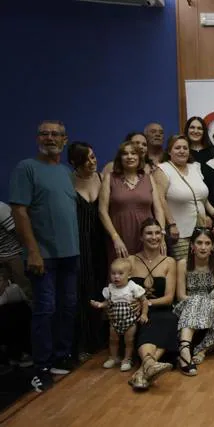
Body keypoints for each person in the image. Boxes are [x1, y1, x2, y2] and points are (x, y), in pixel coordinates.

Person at [10, 120, 80, 392]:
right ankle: (41, 366)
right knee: (45, 309)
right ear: (37, 137)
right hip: (44, 257)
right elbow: (19, 211)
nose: (50, 138)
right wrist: (34, 251)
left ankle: (61, 357)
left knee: (67, 307)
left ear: (65, 140)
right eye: (44, 133)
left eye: (56, 134)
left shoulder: (65, 172)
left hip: (69, 254)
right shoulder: (26, 168)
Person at [68, 142, 107, 360]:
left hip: (100, 242)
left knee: (101, 287)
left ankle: (100, 340)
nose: (92, 162)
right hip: (78, 242)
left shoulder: (102, 177)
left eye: (93, 157)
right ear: (75, 163)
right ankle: (81, 344)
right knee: (81, 290)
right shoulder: (68, 182)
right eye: (86, 160)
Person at [127, 219, 176, 391]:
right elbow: (121, 289)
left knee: (168, 318)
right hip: (136, 312)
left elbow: (169, 298)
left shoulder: (169, 262)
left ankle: (143, 370)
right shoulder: (131, 260)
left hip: (161, 308)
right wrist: (135, 305)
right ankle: (149, 366)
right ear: (141, 237)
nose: (154, 237)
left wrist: (146, 303)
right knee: (147, 321)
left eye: (157, 233)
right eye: (149, 233)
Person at [100, 140, 165, 262]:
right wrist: (115, 238)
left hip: (148, 237)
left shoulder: (149, 178)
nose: (130, 157)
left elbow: (158, 210)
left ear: (139, 157)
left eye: (133, 153)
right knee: (120, 275)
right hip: (120, 236)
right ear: (120, 158)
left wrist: (161, 235)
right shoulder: (110, 178)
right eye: (125, 154)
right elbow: (102, 211)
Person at [174, 228, 214, 375]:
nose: (203, 247)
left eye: (207, 243)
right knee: (197, 299)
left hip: (212, 307)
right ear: (192, 245)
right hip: (187, 305)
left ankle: (197, 351)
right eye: (199, 243)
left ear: (213, 246)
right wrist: (200, 301)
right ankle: (185, 350)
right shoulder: (183, 264)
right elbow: (181, 295)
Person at [157, 135, 211, 260]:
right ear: (169, 151)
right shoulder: (163, 169)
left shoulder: (195, 167)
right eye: (177, 148)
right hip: (179, 232)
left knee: (201, 266)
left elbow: (201, 197)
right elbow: (160, 199)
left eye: (185, 148)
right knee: (185, 267)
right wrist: (171, 224)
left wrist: (212, 214)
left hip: (202, 229)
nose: (182, 151)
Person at [89, 258, 148, 372]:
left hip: (130, 321)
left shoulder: (132, 287)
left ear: (129, 274)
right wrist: (100, 305)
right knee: (113, 340)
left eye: (120, 273)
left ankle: (127, 359)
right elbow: (108, 302)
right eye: (113, 273)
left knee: (129, 341)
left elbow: (144, 301)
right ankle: (113, 357)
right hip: (114, 321)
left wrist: (144, 314)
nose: (116, 277)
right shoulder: (110, 288)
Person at [0, 263, 32, 369]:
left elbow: (26, 304)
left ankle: (19, 353)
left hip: (12, 324)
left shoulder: (13, 289)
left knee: (19, 309)